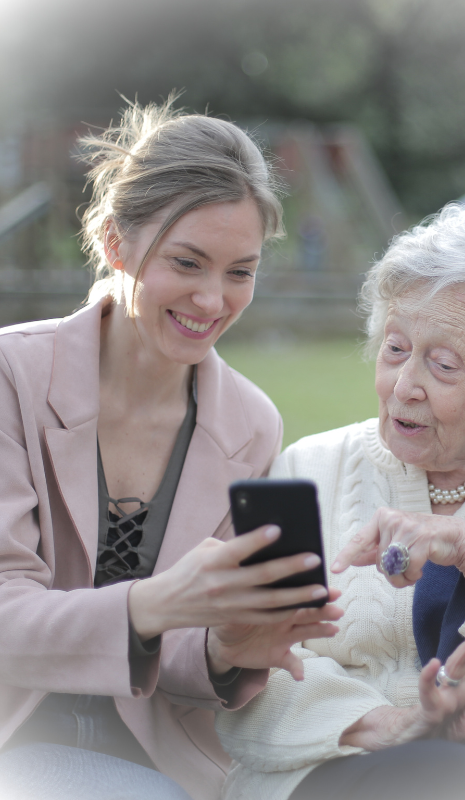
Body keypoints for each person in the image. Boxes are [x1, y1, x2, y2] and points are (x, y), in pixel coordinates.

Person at [0, 97, 342, 800]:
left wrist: (225, 647)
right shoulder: (12, 376)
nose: (212, 301)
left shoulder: (251, 423)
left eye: (240, 272)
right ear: (114, 242)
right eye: (187, 262)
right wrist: (151, 604)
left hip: (161, 762)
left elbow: (181, 658)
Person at [216, 204, 465, 800]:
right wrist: (388, 725)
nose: (403, 386)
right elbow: (248, 667)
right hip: (321, 773)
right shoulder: (309, 469)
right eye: (395, 348)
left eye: (443, 365)